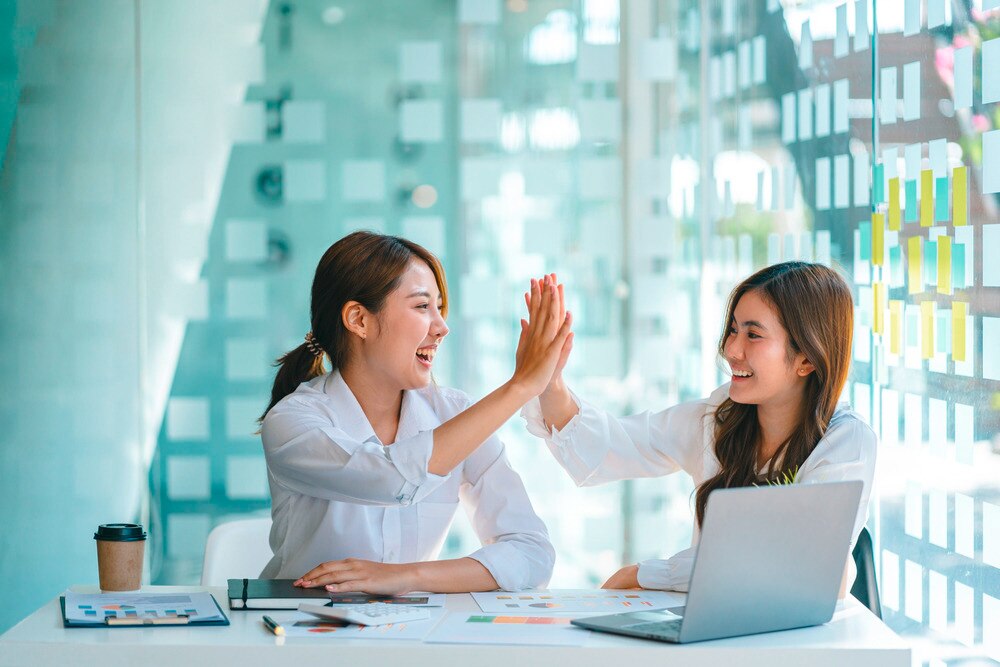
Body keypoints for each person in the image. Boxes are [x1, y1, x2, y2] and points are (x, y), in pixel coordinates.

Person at [522, 262, 876, 595]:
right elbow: (610, 446)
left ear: (807, 359)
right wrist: (549, 382)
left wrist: (648, 574)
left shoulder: (845, 441)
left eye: (753, 335)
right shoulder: (718, 419)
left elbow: (806, 565)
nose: (730, 349)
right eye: (734, 329)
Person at [259, 231, 572, 593]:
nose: (441, 327)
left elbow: (532, 554)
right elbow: (390, 478)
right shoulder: (292, 423)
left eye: (439, 308)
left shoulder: (454, 413)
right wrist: (519, 387)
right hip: (301, 633)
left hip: (410, 636)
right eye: (423, 307)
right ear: (359, 320)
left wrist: (405, 577)